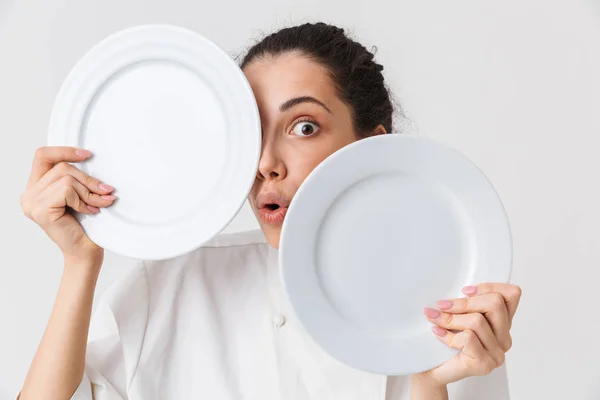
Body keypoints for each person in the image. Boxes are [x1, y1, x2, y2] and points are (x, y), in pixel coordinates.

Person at [18, 22, 522, 400]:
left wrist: (429, 380)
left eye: (303, 126)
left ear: (372, 149)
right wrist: (80, 260)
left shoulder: (453, 309)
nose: (265, 163)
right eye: (251, 132)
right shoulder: (167, 284)